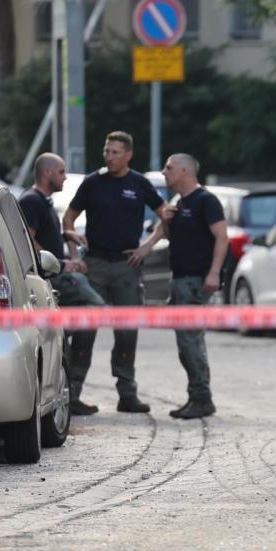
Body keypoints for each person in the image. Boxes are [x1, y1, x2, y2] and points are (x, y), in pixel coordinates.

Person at [63, 131, 169, 414]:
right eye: (106, 151)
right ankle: (72, 393)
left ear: (128, 154)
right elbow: (68, 219)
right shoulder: (93, 182)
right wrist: (75, 257)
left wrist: (147, 246)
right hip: (94, 264)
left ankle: (127, 394)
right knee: (85, 331)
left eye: (114, 152)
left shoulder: (139, 183)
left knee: (126, 332)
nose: (108, 156)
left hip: (126, 266)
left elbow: (166, 215)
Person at [18, 153, 105, 415]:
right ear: (47, 173)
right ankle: (68, 383)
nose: (65, 177)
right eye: (61, 171)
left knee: (89, 318)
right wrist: (62, 264)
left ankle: (70, 388)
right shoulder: (31, 201)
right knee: (96, 310)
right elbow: (29, 241)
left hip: (56, 279)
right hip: (51, 280)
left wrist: (64, 234)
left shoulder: (42, 202)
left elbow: (42, 235)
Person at [151, 153, 228, 419]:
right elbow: (173, 237)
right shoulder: (179, 202)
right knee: (186, 343)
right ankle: (196, 395)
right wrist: (166, 221)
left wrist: (214, 273)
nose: (164, 172)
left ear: (185, 171)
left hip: (196, 282)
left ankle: (202, 398)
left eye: (169, 168)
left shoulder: (205, 201)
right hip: (181, 280)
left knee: (191, 342)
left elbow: (222, 238)